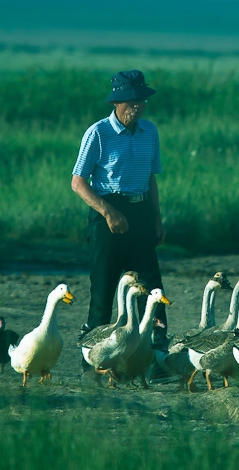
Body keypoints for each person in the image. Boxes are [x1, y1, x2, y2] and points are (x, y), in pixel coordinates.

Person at [71, 70, 168, 372]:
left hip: (140, 213)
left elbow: (150, 178)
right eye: (131, 101)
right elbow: (78, 182)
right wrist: (108, 212)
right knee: (103, 291)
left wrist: (157, 219)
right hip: (106, 215)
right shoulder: (98, 133)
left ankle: (154, 359)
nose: (137, 106)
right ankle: (93, 364)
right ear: (117, 102)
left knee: (152, 291)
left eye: (141, 100)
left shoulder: (149, 132)